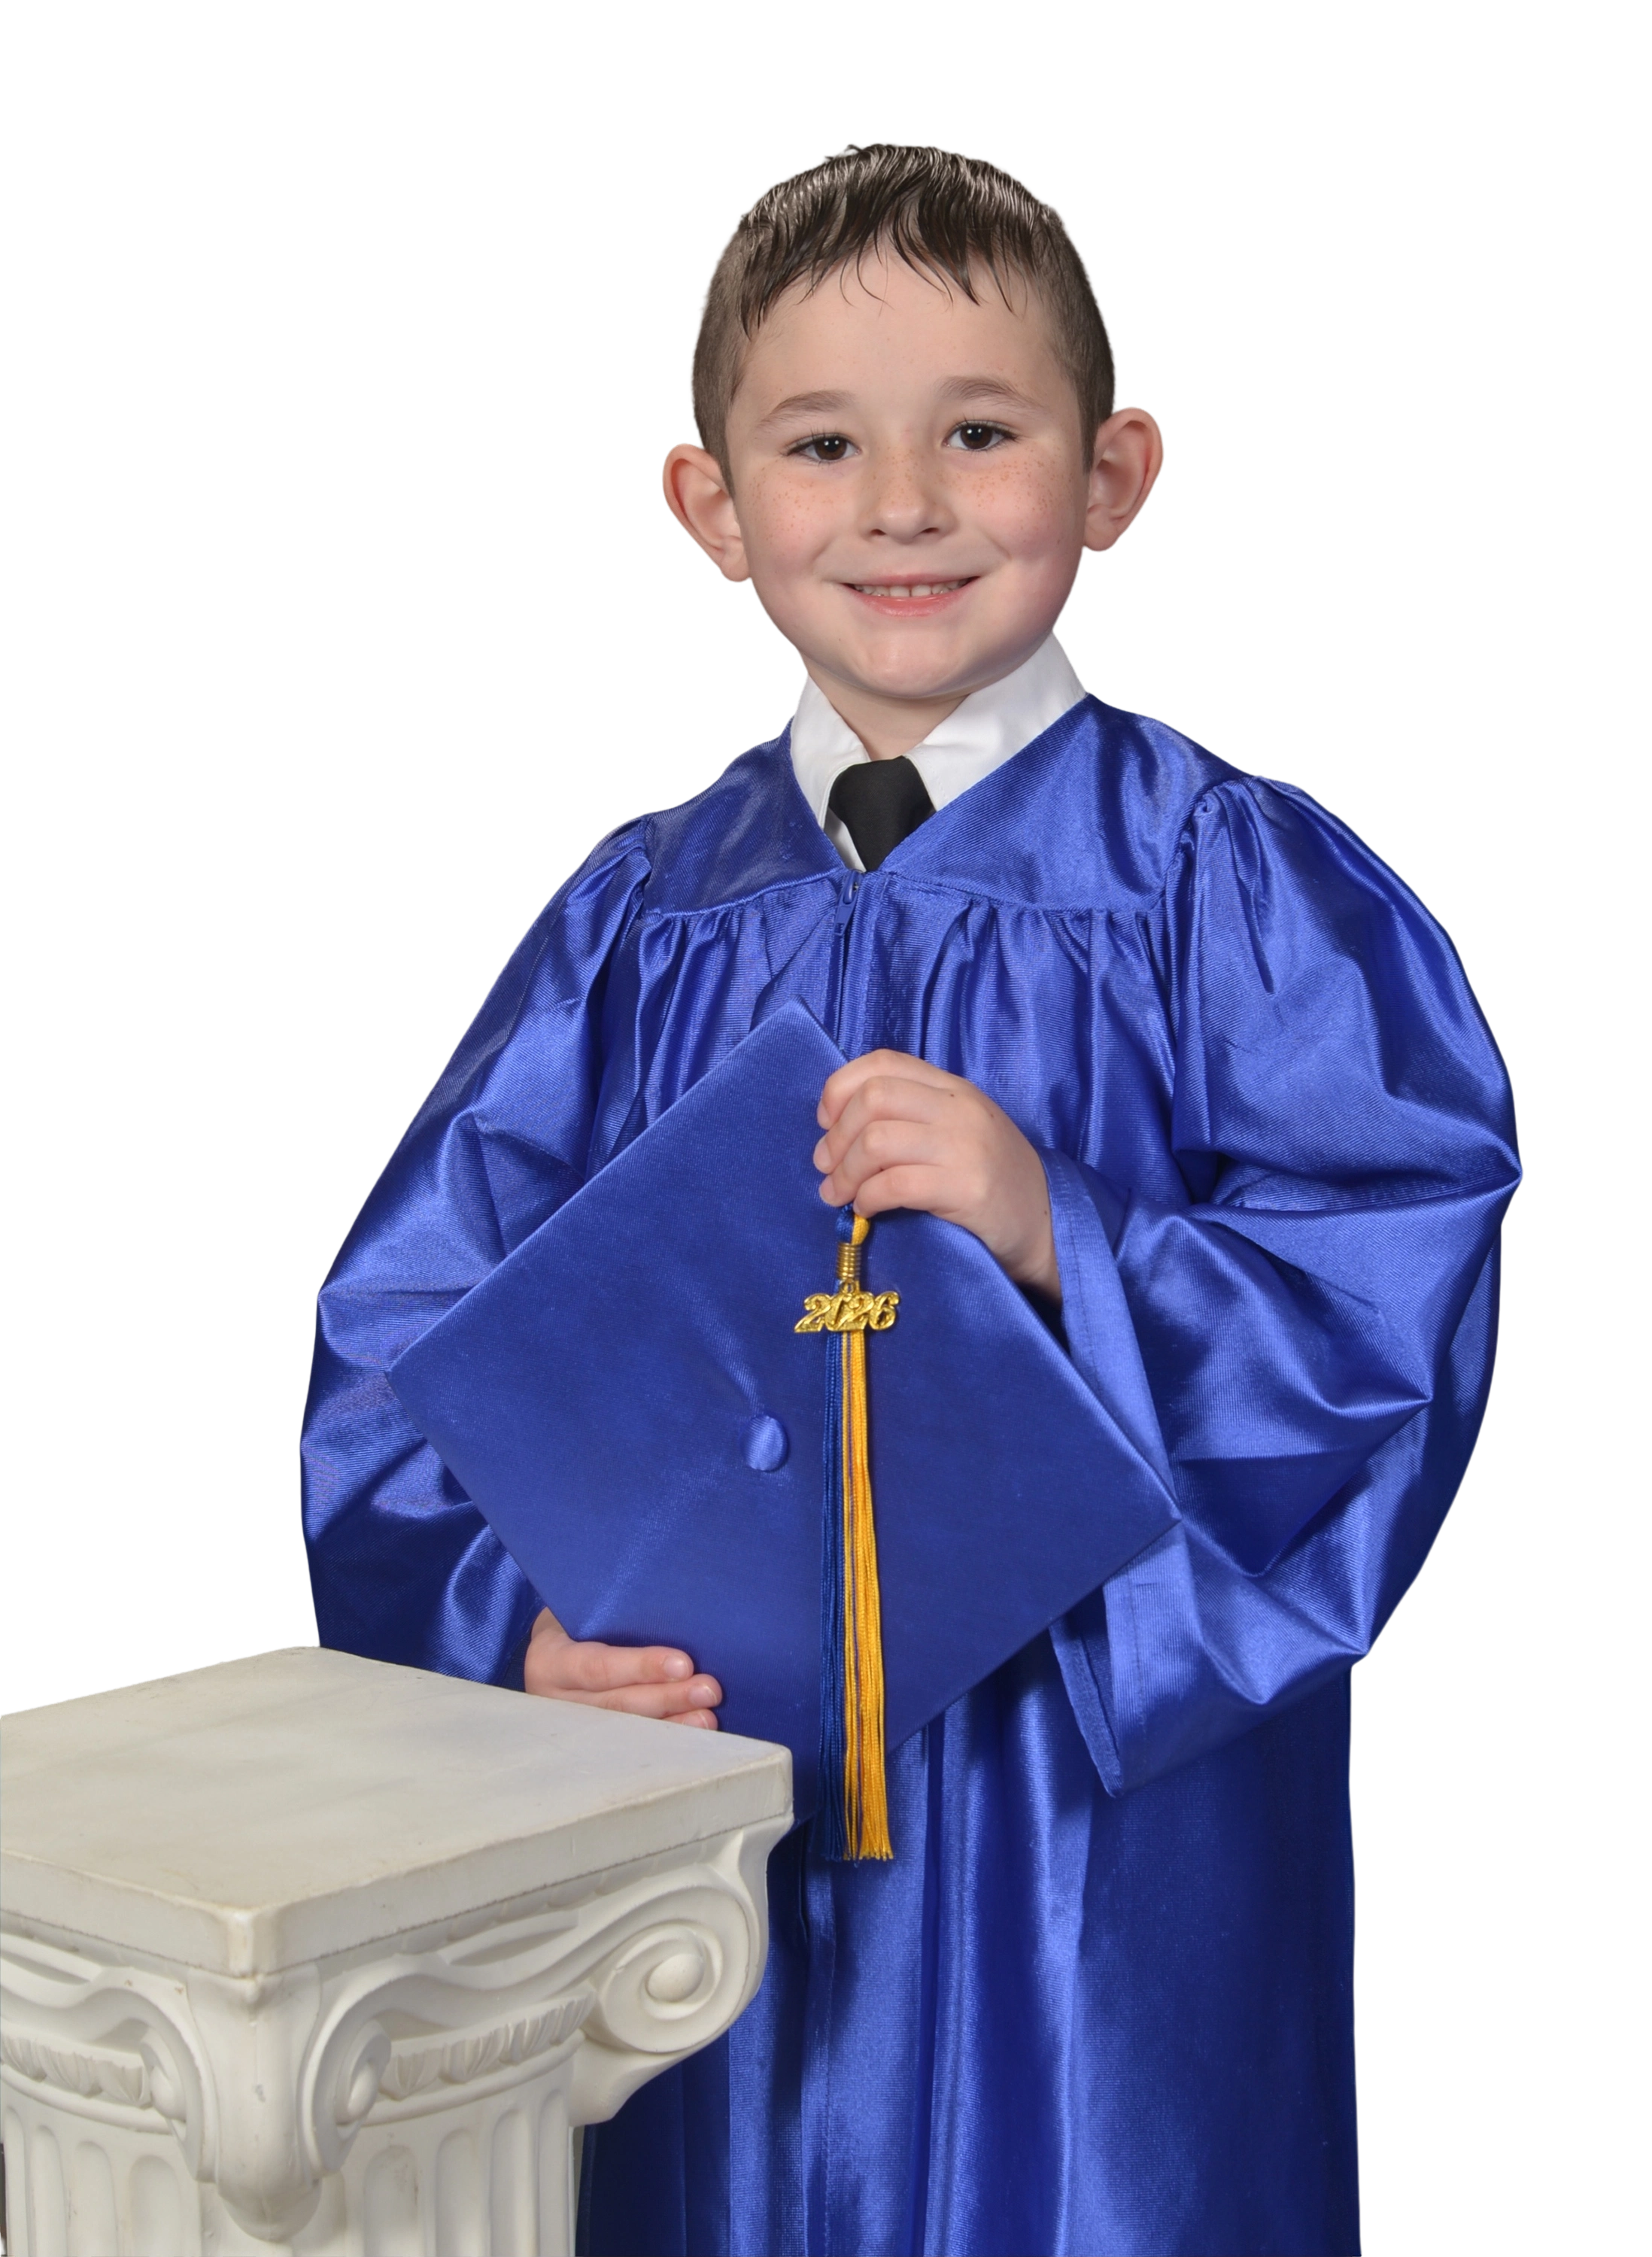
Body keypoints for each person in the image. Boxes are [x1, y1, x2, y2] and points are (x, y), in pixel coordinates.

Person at [299, 143, 1523, 2257]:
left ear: (1114, 474)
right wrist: (515, 1632)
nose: (901, 506)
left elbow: (1387, 1287)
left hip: (1096, 1826)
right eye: (821, 445)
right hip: (712, 1823)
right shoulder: (636, 922)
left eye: (979, 432)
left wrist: (1068, 1228)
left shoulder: (1226, 884)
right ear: (709, 507)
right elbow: (419, 1337)